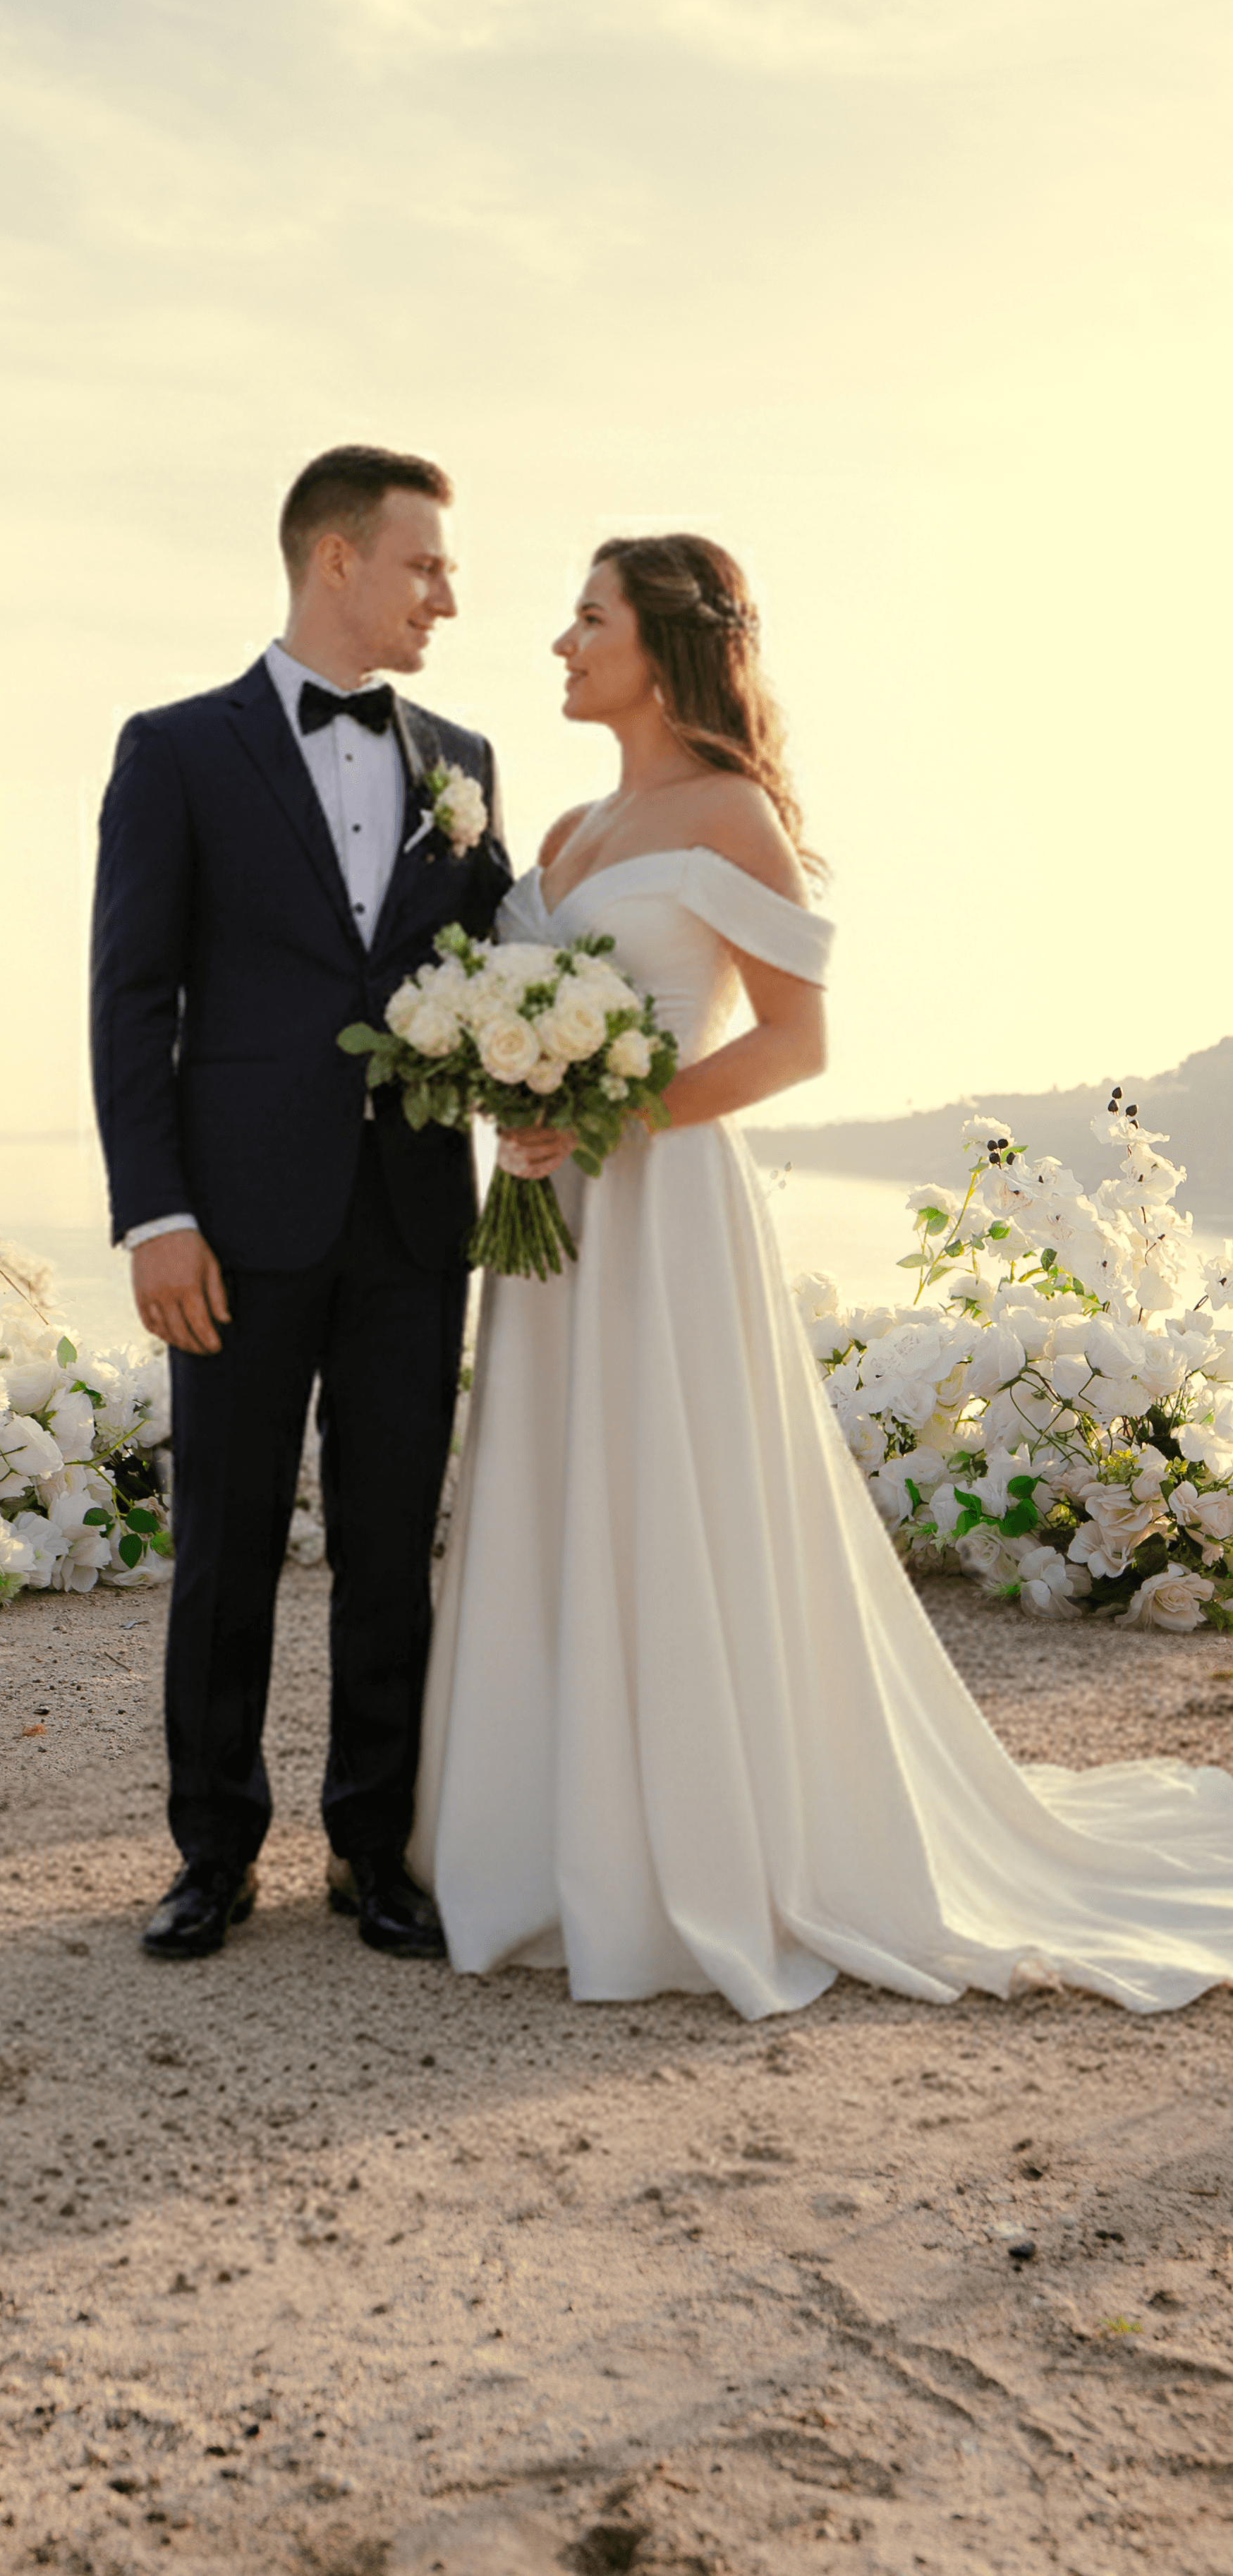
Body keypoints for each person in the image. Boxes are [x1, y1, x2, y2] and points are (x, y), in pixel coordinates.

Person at [411, 531, 1233, 2016]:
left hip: (663, 1204)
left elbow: (797, 1042)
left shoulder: (731, 814)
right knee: (556, 1487)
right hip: (552, 1219)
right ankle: (543, 1838)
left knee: (669, 1487)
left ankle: (697, 1849)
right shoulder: (568, 832)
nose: (562, 643)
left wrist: (611, 1114)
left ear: (663, 645)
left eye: (587, 617)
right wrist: (514, 1095)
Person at [91, 445, 511, 1962]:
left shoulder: (465, 760)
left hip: (412, 1220)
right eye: (425, 565)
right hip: (233, 1227)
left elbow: (503, 967)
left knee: (393, 1545)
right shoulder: (175, 751)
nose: (446, 597)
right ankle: (212, 1855)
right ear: (338, 558)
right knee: (226, 1547)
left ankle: (372, 1851)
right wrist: (156, 1216)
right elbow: (133, 998)